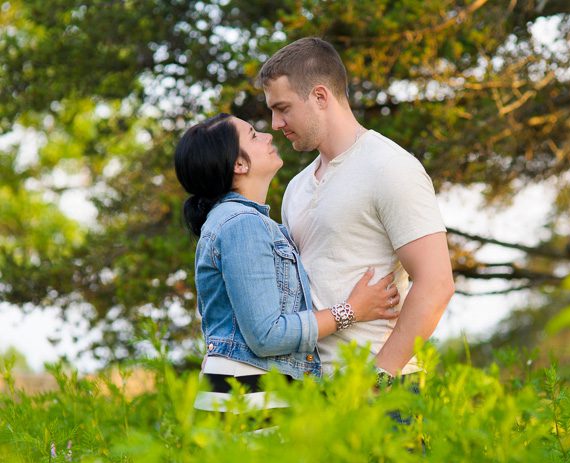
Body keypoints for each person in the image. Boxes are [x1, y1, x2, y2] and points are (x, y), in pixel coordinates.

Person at [174, 113, 400, 419]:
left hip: (247, 390)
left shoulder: (242, 222)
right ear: (238, 164)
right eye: (254, 135)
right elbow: (266, 334)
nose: (268, 136)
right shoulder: (242, 224)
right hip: (247, 392)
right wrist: (352, 311)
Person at [257, 37, 455, 381]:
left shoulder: (389, 166)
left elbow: (436, 283)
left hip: (379, 391)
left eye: (283, 108)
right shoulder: (296, 188)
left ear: (320, 97)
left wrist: (377, 379)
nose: (275, 124)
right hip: (311, 391)